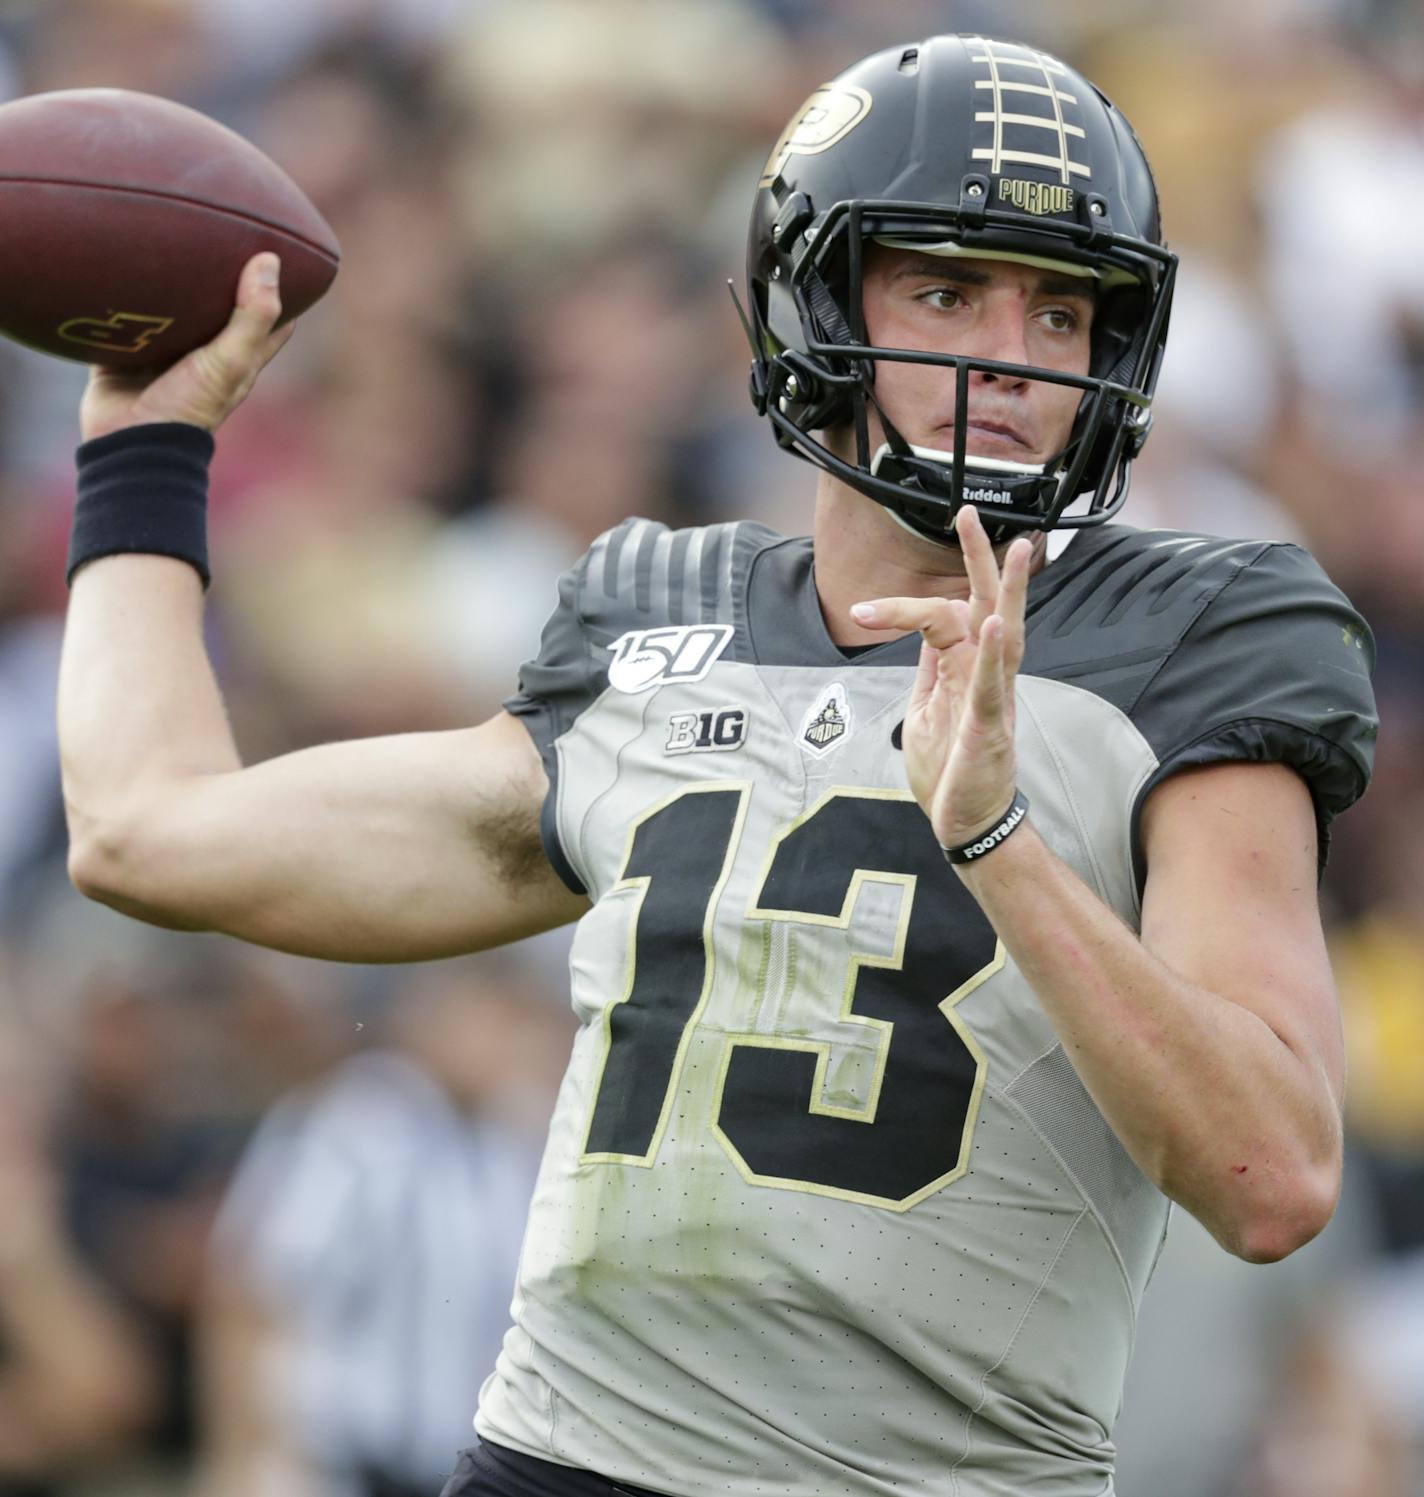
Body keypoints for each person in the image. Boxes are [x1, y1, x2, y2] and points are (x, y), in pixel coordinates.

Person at [56, 33, 1376, 1497]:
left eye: (1063, 310)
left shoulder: (1194, 638)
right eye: (946, 288)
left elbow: (1274, 1177)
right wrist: (145, 461)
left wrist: (1000, 838)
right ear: (814, 301)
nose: (1008, 354)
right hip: (557, 1460)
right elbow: (144, 828)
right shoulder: (652, 614)